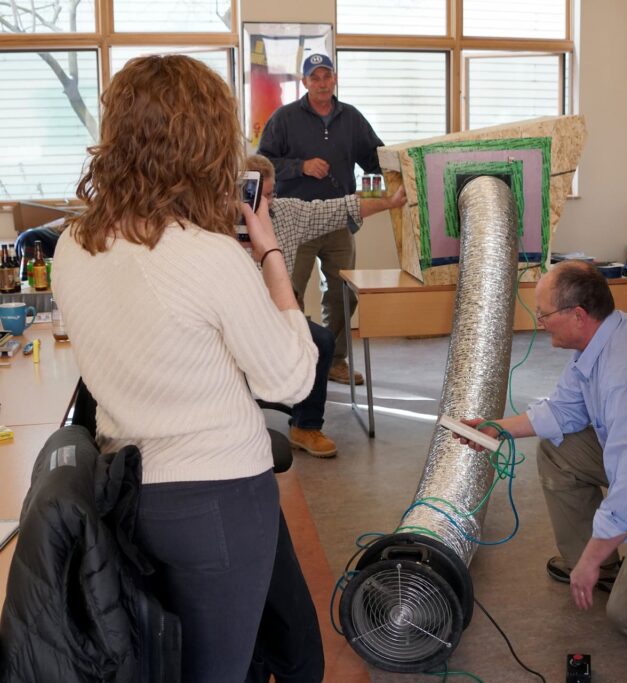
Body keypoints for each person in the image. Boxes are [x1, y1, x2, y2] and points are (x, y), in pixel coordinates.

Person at [52, 55, 318, 682]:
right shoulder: (207, 256)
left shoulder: (73, 243)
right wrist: (270, 255)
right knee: (218, 669)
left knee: (163, 662)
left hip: (128, 487)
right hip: (219, 498)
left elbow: (156, 336)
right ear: (204, 143)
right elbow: (291, 379)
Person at [459, 261, 627, 640]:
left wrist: (588, 560)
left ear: (578, 315)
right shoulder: (603, 337)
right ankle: (606, 569)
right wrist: (497, 429)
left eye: (544, 314)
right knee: (560, 452)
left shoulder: (623, 378)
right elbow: (563, 409)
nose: (540, 322)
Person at [244, 154, 406, 457]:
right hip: (232, 316)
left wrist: (390, 201)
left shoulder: (287, 213)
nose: (268, 203)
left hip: (275, 314)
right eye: (259, 196)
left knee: (321, 340)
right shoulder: (215, 223)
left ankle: (306, 426)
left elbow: (342, 207)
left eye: (271, 194)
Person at [258, 53, 384, 386]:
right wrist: (300, 166)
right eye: (315, 78)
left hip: (338, 221)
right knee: (288, 292)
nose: (322, 83)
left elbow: (376, 159)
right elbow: (262, 162)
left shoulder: (352, 119)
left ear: (335, 79)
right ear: (305, 83)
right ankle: (291, 360)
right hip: (294, 221)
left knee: (344, 294)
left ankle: (334, 360)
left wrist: (392, 180)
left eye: (327, 76)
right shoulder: (284, 118)